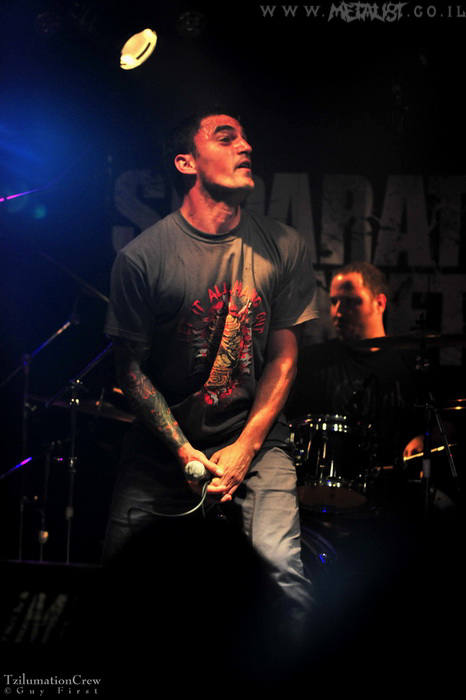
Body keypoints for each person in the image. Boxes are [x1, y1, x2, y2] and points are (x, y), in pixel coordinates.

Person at [102, 109, 318, 651]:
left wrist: (246, 447)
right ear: (186, 163)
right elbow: (129, 369)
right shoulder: (141, 259)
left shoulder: (284, 245)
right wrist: (182, 451)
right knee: (123, 592)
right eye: (226, 138)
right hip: (162, 449)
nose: (246, 146)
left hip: (257, 440)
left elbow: (284, 356)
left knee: (283, 580)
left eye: (245, 137)